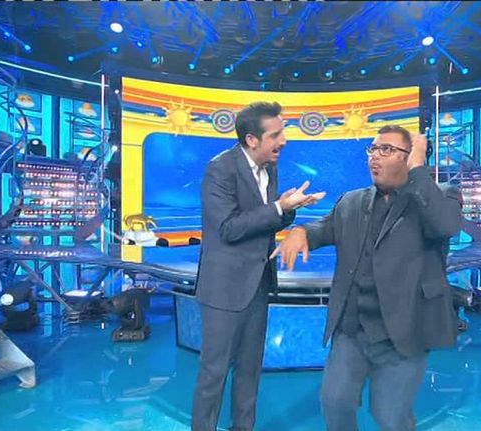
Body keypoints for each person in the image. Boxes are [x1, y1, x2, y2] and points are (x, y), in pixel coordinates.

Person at [271, 125, 463, 431]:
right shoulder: (352, 201)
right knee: (335, 402)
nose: (375, 156)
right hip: (352, 329)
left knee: (389, 417)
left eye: (386, 150)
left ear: (409, 156)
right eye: (373, 149)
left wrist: (418, 169)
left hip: (403, 330)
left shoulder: (440, 196)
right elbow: (324, 228)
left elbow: (445, 226)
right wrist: (301, 232)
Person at [192, 101, 325, 431]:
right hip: (224, 289)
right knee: (214, 373)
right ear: (252, 140)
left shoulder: (270, 167)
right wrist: (279, 207)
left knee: (250, 370)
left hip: (258, 284)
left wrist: (289, 208)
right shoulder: (220, 170)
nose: (284, 141)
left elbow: (266, 222)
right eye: (276, 135)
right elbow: (229, 228)